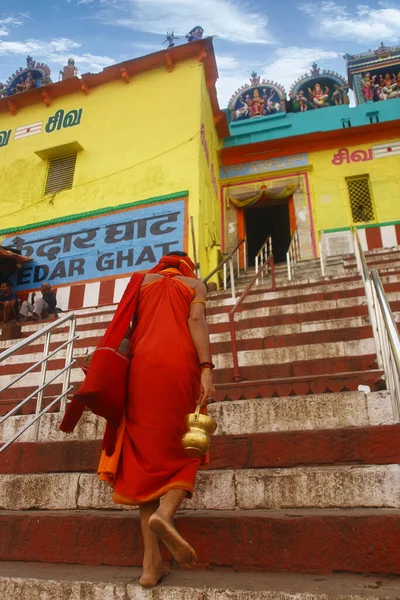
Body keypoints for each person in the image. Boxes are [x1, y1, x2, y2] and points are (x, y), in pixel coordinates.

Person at [93, 251, 215, 587]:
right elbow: (196, 323)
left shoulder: (140, 281)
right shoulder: (195, 285)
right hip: (181, 368)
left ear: (160, 266)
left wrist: (104, 368)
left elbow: (123, 332)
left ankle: (150, 567)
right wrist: (206, 369)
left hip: (141, 370)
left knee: (144, 460)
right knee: (189, 444)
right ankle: (166, 513)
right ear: (186, 267)